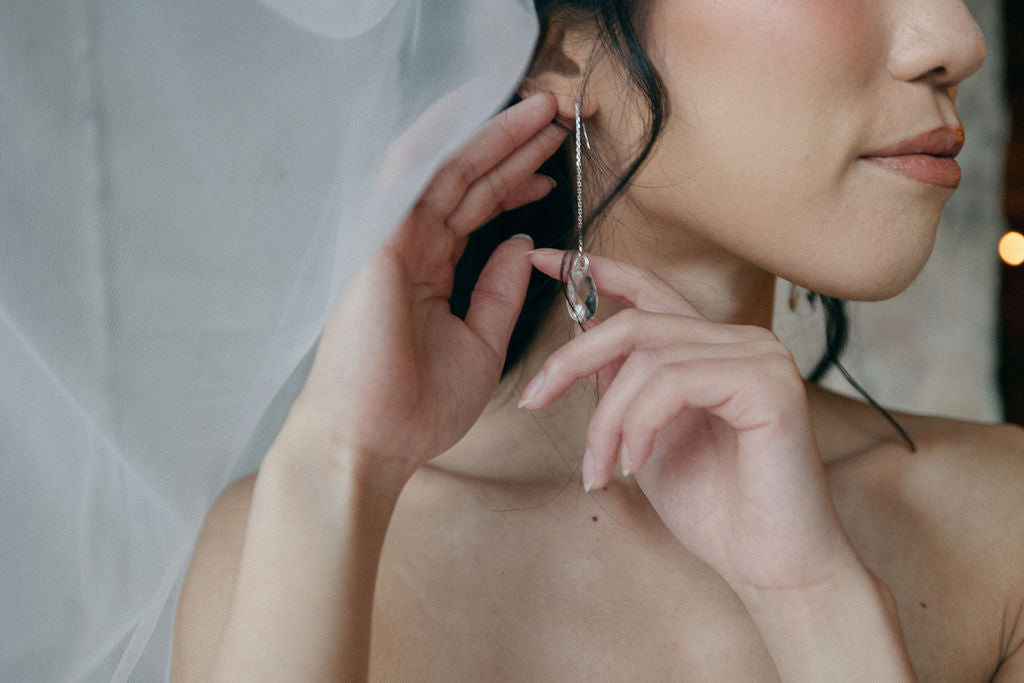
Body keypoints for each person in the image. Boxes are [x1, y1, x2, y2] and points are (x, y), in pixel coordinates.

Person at [171, 0, 1024, 680]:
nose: (958, 37)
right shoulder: (292, 543)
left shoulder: (1006, 528)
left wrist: (817, 604)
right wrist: (336, 466)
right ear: (561, 47)